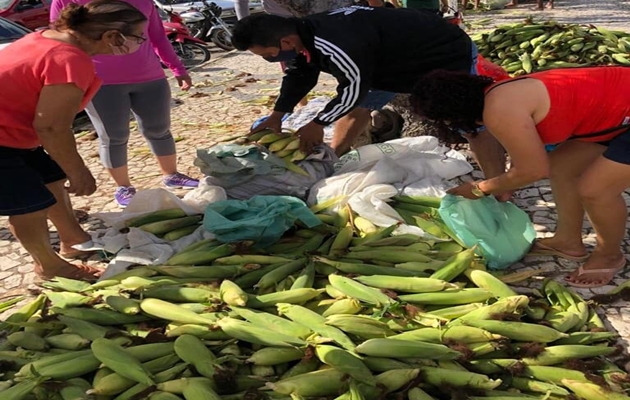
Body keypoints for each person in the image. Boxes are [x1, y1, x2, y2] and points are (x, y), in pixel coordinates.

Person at [409, 66, 630, 288]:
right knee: (561, 167)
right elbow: (527, 157)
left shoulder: (499, 111)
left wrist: (480, 188)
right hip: (613, 113)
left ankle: (609, 256)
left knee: (595, 190)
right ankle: (568, 242)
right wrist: (505, 183)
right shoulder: (500, 93)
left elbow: (533, 170)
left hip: (622, 110)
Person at [231, 7, 505, 165]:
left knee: (469, 123)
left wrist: (319, 122)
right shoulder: (302, 35)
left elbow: (353, 86)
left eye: (268, 54)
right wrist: (277, 116)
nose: (269, 60)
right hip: (388, 62)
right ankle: (333, 161)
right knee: (355, 109)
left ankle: (497, 187)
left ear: (286, 42)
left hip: (441, 53)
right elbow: (299, 76)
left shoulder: (335, 43)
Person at [0, 0, 147, 280]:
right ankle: (48, 265)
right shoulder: (69, 59)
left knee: (52, 179)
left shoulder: (44, 37)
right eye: (138, 37)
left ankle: (73, 239)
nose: (139, 44)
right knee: (28, 204)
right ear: (111, 36)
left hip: (15, 132)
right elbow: (52, 127)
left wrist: (66, 169)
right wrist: (78, 171)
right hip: (4, 137)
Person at [51, 0, 199, 209]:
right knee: (113, 136)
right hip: (100, 82)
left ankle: (171, 174)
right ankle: (123, 186)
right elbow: (62, 43)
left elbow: (157, 36)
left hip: (149, 76)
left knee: (159, 129)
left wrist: (177, 68)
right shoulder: (66, 1)